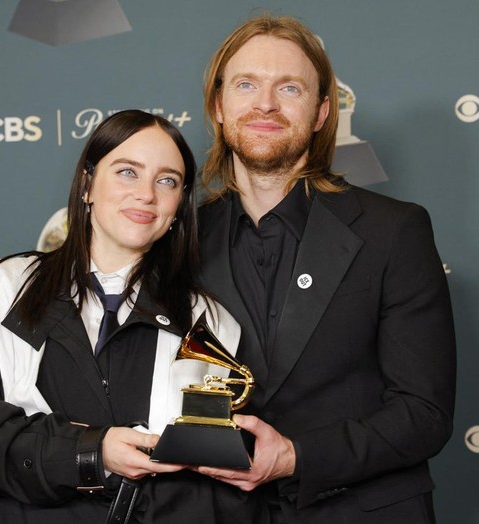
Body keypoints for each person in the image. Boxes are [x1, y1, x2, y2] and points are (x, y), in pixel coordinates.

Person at [0, 110, 258, 524]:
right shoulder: (4, 289)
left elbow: (218, 488)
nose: (146, 194)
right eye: (127, 172)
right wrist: (90, 452)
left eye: (167, 180)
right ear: (87, 184)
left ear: (179, 206)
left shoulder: (208, 321)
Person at [194, 15, 457, 524]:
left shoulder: (394, 231)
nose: (265, 103)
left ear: (320, 112)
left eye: (288, 87)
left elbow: (424, 415)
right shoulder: (180, 239)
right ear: (218, 107)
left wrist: (294, 456)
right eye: (246, 84)